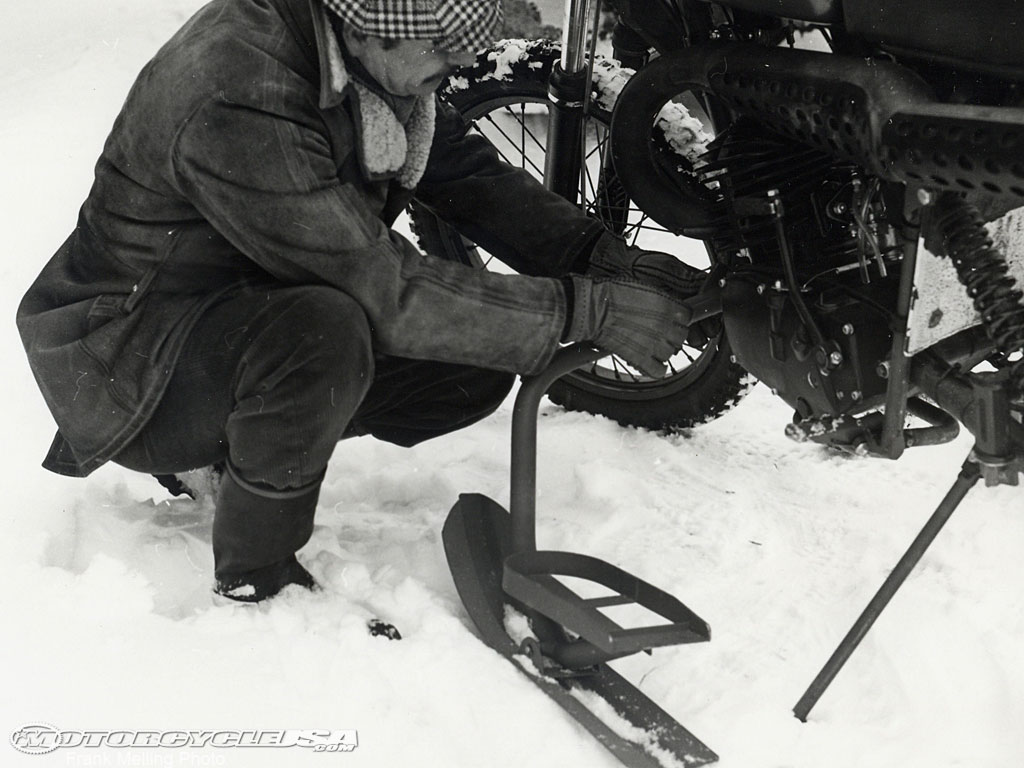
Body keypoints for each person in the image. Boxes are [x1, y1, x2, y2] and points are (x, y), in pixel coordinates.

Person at [16, 0, 694, 607]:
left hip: (232, 305)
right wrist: (584, 311)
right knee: (323, 332)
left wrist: (599, 258)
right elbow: (376, 284)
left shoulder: (353, 53)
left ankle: (235, 444)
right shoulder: (239, 88)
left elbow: (466, 175)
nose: (462, 60)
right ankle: (258, 570)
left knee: (470, 362)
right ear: (372, 26)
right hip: (130, 357)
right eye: (444, 44)